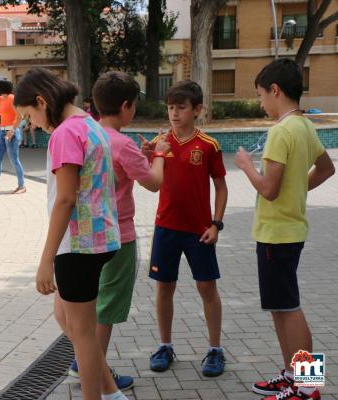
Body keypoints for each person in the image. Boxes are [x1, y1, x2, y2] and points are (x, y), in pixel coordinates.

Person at [14, 67, 126, 400]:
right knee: (66, 316)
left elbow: (65, 198)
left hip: (78, 245)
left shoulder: (65, 133)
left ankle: (100, 396)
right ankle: (112, 393)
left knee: (82, 333)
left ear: (41, 100)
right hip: (100, 238)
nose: (31, 124)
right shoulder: (91, 125)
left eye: (29, 115)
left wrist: (45, 260)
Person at [234, 59, 335, 400]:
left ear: (275, 90)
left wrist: (247, 166)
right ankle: (293, 376)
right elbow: (326, 168)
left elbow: (268, 189)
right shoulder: (305, 126)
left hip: (276, 233)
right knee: (280, 306)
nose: (261, 102)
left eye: (261, 95)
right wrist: (298, 188)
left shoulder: (280, 131)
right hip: (288, 231)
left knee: (289, 308)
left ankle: (308, 387)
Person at [67, 71, 170, 390]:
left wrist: (146, 156)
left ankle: (82, 363)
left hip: (84, 235)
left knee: (91, 305)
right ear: (126, 106)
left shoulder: (87, 134)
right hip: (117, 237)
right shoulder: (122, 144)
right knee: (106, 311)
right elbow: (154, 183)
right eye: (135, 104)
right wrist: (161, 154)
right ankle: (96, 374)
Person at [148, 80, 228, 378]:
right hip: (165, 227)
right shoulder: (161, 143)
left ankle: (215, 349)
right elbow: (151, 182)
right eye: (170, 107)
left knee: (207, 287)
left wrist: (216, 224)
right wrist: (149, 155)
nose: (174, 113)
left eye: (181, 108)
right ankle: (165, 345)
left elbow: (221, 187)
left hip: (199, 231)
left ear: (197, 110)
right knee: (164, 287)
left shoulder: (208, 146)